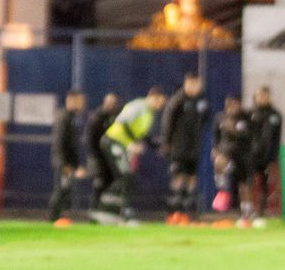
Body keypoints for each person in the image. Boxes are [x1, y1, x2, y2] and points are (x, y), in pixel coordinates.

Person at [98, 86, 169, 221]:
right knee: (127, 175)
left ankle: (113, 210)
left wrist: (158, 146)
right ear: (152, 97)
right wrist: (132, 143)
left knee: (128, 177)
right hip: (113, 141)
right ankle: (118, 211)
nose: (161, 105)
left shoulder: (149, 113)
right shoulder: (138, 106)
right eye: (160, 101)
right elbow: (122, 122)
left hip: (123, 145)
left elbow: (143, 135)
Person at [160, 73, 210, 223]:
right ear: (186, 84)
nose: (195, 88)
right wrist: (167, 143)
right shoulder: (177, 100)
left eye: (197, 84)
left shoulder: (202, 100)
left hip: (194, 147)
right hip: (178, 147)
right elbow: (167, 122)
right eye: (192, 84)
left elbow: (206, 120)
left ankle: (188, 210)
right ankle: (174, 211)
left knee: (191, 177)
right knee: (178, 177)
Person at [46, 91, 87, 224]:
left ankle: (58, 217)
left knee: (65, 190)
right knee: (61, 190)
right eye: (80, 101)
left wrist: (75, 165)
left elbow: (72, 144)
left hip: (68, 163)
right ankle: (53, 218)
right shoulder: (63, 117)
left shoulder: (72, 118)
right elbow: (59, 142)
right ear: (72, 101)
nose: (83, 104)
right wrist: (64, 164)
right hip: (63, 164)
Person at [246, 86, 283, 217]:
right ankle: (247, 209)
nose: (262, 98)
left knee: (264, 183)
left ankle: (261, 211)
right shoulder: (249, 114)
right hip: (251, 155)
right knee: (248, 182)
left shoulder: (276, 115)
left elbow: (277, 138)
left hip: (267, 155)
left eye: (265, 95)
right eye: (260, 96)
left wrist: (274, 156)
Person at [211, 95, 251, 213]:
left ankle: (247, 210)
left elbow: (249, 136)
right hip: (226, 153)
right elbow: (216, 136)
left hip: (242, 155)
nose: (231, 108)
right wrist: (215, 149)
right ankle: (222, 190)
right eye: (229, 105)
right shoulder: (220, 118)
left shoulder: (247, 117)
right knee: (219, 161)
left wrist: (234, 130)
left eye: (234, 105)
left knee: (243, 184)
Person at [84, 92, 122, 210]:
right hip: (98, 159)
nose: (112, 105)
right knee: (99, 184)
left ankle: (106, 210)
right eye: (110, 103)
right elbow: (90, 141)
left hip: (111, 159)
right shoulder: (96, 118)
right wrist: (95, 157)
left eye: (114, 103)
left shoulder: (117, 118)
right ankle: (94, 209)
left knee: (112, 183)